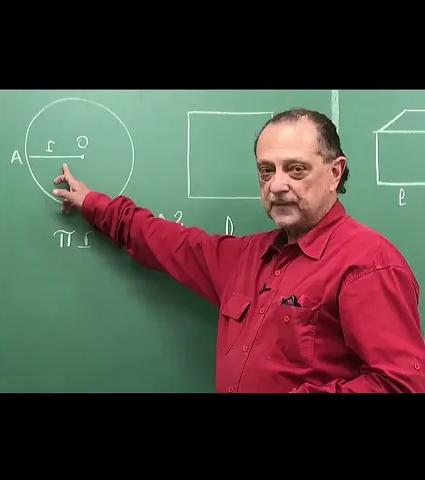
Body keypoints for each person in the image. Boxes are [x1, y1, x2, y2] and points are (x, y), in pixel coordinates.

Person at [51, 108, 425, 394]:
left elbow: (401, 384)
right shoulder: (246, 258)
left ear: (335, 173)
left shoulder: (368, 264)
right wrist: (92, 203)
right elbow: (162, 239)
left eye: (296, 169)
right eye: (266, 170)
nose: (277, 185)